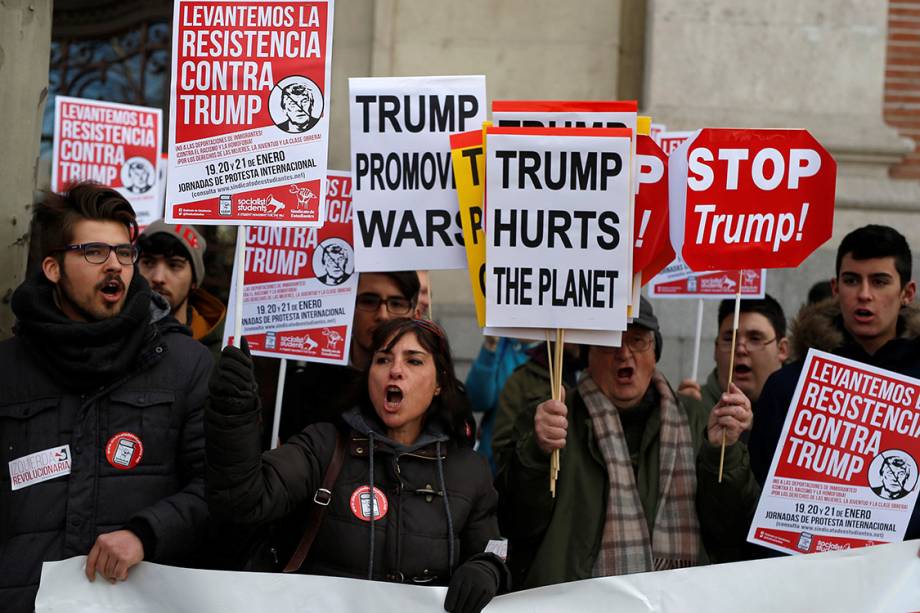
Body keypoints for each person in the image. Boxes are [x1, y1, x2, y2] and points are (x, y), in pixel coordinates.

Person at [0, 183, 211, 612]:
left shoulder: (185, 365)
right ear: (53, 268)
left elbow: (217, 491)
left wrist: (146, 533)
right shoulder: (8, 370)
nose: (114, 265)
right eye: (95, 252)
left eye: (124, 253)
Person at [206, 318, 509, 613]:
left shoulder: (470, 470)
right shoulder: (324, 445)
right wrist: (233, 415)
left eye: (414, 361)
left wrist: (488, 567)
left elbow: (495, 547)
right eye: (382, 360)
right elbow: (243, 499)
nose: (395, 371)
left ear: (440, 382)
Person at [495, 297, 758, 588]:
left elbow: (730, 529)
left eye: (638, 341)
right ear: (588, 355)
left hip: (677, 600)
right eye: (609, 341)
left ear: (655, 352)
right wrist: (537, 451)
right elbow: (515, 522)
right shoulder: (552, 419)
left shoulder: (697, 418)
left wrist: (724, 453)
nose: (624, 353)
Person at [748, 225, 920, 552]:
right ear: (835, 288)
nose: (864, 294)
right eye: (852, 280)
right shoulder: (788, 386)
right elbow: (758, 492)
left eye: (880, 281)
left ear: (906, 293)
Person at [277, 271, 421, 441]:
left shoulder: (431, 393)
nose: (382, 315)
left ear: (415, 315)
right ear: (348, 308)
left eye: (397, 304)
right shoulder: (304, 390)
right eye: (369, 301)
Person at [678, 295, 789, 423]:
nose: (740, 349)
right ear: (716, 348)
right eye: (729, 339)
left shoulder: (799, 413)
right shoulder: (689, 410)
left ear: (782, 349)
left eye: (755, 339)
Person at [137, 220, 226, 360]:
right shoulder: (113, 334)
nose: (158, 278)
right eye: (148, 262)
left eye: (174, 265)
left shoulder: (219, 352)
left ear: (194, 281)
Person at [465, 336, 533, 473]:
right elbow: (476, 401)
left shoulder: (558, 350)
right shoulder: (502, 345)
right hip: (493, 466)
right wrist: (490, 347)